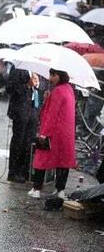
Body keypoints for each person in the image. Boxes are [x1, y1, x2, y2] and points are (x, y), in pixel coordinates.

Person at [28, 68, 77, 199]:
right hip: (66, 134)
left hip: (53, 133)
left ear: (59, 76)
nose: (50, 78)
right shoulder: (69, 89)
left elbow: (51, 115)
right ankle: (60, 190)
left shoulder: (58, 91)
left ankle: (36, 189)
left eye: (53, 75)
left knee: (41, 159)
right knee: (63, 161)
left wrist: (44, 133)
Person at [6, 68, 41, 183]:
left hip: (33, 110)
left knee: (29, 141)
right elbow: (9, 89)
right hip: (20, 110)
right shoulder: (18, 69)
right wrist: (27, 85)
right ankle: (13, 171)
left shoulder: (39, 71)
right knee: (18, 140)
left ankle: (24, 170)